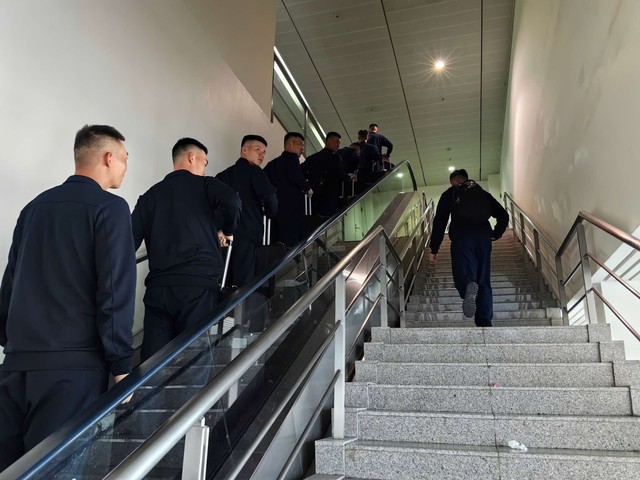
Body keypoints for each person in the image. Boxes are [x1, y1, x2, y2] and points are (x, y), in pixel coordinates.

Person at [0, 125, 136, 470]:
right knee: (55, 470)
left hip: (16, 366)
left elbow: (10, 284)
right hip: (72, 372)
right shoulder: (111, 208)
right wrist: (121, 365)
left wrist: (11, 343)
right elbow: (114, 290)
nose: (125, 166)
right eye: (124, 158)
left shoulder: (33, 209)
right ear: (108, 158)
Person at [131, 138, 241, 362]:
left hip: (158, 289)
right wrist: (228, 230)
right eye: (204, 162)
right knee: (193, 361)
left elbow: (128, 243)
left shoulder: (150, 195)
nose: (205, 169)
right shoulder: (205, 185)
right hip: (197, 288)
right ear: (192, 157)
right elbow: (232, 200)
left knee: (153, 363)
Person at [428, 169, 509, 327]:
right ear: (467, 179)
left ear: (454, 182)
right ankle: (485, 322)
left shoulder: (451, 193)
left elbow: (440, 221)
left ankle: (467, 286)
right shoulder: (482, 193)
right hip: (483, 237)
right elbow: (503, 215)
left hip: (462, 235)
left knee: (463, 272)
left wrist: (434, 248)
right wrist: (496, 233)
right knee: (483, 280)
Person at [216, 135, 277, 287]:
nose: (262, 154)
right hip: (249, 235)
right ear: (244, 150)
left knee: (224, 281)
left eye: (264, 152)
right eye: (258, 149)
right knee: (245, 284)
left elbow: (214, 205)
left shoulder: (222, 176)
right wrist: (270, 212)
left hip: (224, 238)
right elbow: (269, 195)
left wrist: (220, 229)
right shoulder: (255, 171)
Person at [264, 132, 313, 247]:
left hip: (275, 209)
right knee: (291, 241)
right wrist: (307, 188)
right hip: (291, 209)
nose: (302, 148)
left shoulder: (272, 164)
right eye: (300, 144)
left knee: (277, 242)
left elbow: (264, 181)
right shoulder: (292, 158)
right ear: (290, 144)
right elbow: (296, 175)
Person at [302, 131, 353, 216]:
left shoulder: (313, 157)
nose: (338, 145)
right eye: (337, 142)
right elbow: (339, 173)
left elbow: (302, 171)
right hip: (330, 196)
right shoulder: (335, 157)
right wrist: (348, 177)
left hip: (314, 195)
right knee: (329, 217)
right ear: (328, 141)